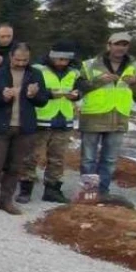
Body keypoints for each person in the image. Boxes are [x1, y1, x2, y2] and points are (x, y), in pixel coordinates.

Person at [0, 44, 49, 215]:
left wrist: (33, 96)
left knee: (15, 166)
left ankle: (6, 201)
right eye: (18, 59)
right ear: (10, 57)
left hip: (24, 127)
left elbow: (43, 101)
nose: (21, 63)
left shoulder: (35, 74)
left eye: (25, 60)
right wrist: (2, 98)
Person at [79, 32, 136, 199]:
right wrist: (99, 81)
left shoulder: (135, 65)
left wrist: (135, 82)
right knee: (88, 158)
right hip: (93, 115)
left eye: (125, 44)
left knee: (110, 159)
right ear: (109, 45)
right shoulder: (90, 64)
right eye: (117, 44)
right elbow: (80, 87)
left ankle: (103, 191)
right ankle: (89, 192)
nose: (121, 48)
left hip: (119, 116)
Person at [19, 43, 85, 204]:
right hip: (40, 119)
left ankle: (52, 190)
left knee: (57, 158)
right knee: (31, 156)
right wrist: (50, 94)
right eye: (59, 59)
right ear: (51, 56)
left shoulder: (75, 72)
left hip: (63, 120)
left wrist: (76, 95)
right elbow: (29, 90)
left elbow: (81, 89)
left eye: (65, 59)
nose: (62, 62)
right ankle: (25, 190)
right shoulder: (38, 70)